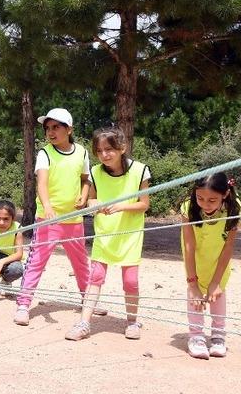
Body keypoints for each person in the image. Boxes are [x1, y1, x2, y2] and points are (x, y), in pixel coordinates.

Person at [65, 127, 150, 341]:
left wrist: (121, 206)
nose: (104, 155)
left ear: (122, 148)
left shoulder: (140, 170)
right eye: (100, 150)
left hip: (129, 236)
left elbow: (144, 204)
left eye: (109, 149)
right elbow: (92, 200)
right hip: (104, 234)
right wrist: (95, 204)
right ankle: (84, 323)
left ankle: (132, 321)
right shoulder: (95, 172)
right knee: (95, 278)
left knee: (130, 281)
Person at [14, 108, 91, 326]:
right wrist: (47, 206)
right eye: (48, 128)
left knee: (81, 263)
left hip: (74, 219)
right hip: (48, 219)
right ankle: (23, 304)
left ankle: (88, 300)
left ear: (69, 129)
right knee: (36, 262)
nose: (51, 132)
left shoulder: (82, 152)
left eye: (56, 127)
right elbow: (42, 183)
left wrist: (84, 196)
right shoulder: (45, 153)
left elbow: (86, 179)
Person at [181, 172, 241, 359]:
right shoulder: (188, 207)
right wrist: (192, 284)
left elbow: (229, 246)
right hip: (196, 254)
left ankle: (218, 336)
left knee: (218, 291)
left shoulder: (235, 207)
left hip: (219, 255)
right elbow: (189, 246)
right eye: (200, 198)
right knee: (196, 293)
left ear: (224, 195)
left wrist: (216, 282)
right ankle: (196, 336)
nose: (205, 204)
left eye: (212, 200)